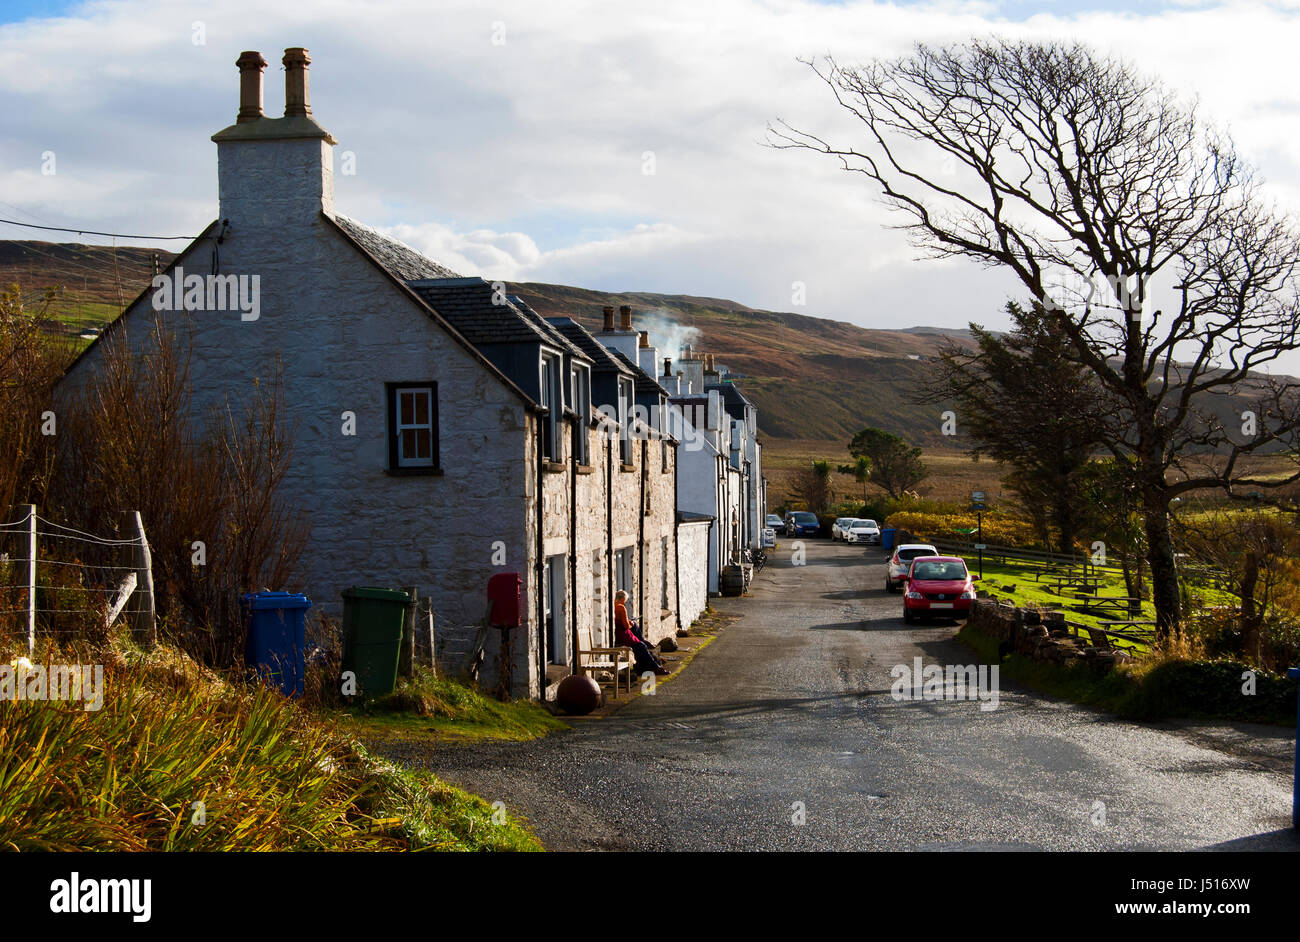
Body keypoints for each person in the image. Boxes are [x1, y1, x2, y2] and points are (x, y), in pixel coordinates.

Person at [614, 590, 669, 676]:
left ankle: (644, 645)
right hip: (623, 634)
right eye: (624, 600)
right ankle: (656, 668)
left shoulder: (612, 605)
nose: (625, 603)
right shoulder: (620, 607)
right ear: (622, 599)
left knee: (639, 640)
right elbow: (626, 626)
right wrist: (630, 623)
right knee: (641, 645)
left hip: (618, 632)